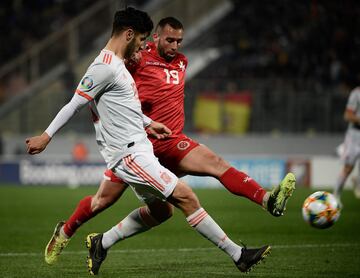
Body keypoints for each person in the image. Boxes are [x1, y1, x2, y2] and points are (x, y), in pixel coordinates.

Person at [26, 8, 272, 275]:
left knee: (163, 211)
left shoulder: (118, 66)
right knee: (186, 197)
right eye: (142, 39)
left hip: (140, 150)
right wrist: (46, 136)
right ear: (129, 34)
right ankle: (239, 256)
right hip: (131, 155)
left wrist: (148, 123)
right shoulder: (104, 67)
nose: (144, 46)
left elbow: (125, 106)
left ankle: (101, 242)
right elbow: (74, 103)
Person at [334, 85, 360, 205]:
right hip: (355, 135)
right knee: (348, 168)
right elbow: (348, 115)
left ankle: (357, 182)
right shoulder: (356, 93)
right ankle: (336, 196)